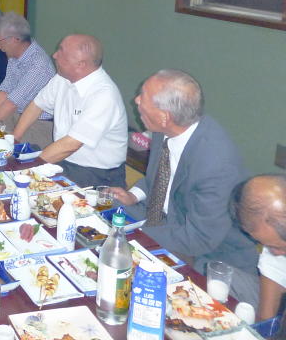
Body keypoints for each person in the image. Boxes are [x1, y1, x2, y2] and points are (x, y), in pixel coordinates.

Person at [111, 69, 259, 303]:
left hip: (207, 256)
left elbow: (198, 239)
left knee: (119, 264)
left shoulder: (215, 163)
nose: (136, 100)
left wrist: (133, 233)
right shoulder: (166, 130)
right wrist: (133, 195)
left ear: (164, 116)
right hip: (162, 221)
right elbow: (159, 179)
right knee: (102, 212)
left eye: (143, 96)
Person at [12, 34, 127, 187]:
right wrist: (13, 141)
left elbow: (71, 144)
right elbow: (37, 105)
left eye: (61, 52)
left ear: (80, 64)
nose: (54, 55)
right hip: (65, 161)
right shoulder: (63, 78)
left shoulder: (104, 95)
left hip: (97, 175)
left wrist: (30, 169)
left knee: (26, 187)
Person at [0, 12, 55, 146]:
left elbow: (12, 103)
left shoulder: (39, 65)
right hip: (17, 113)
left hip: (39, 125)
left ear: (15, 39)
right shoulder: (15, 55)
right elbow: (4, 90)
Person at [233, 174, 286, 320]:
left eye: (279, 247)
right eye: (266, 245)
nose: (275, 253)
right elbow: (266, 314)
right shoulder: (274, 239)